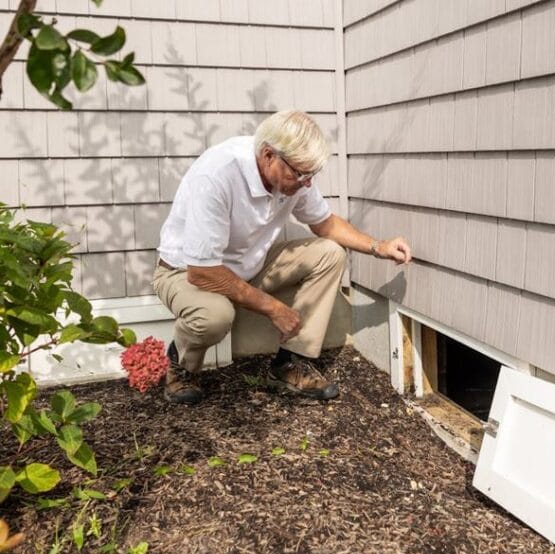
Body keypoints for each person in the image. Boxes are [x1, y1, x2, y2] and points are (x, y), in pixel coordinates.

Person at [152, 110, 412, 405]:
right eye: (300, 174)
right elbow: (202, 271)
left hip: (248, 265)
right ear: (268, 156)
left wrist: (378, 246)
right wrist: (275, 308)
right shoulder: (217, 175)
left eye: (311, 175)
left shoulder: (293, 176)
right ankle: (181, 365)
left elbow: (324, 224)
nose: (306, 184)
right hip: (185, 272)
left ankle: (290, 364)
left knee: (329, 253)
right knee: (214, 317)